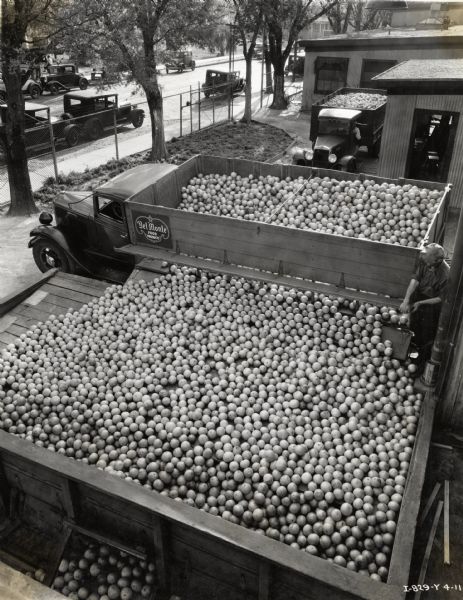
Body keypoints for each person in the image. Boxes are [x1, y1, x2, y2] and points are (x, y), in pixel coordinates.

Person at [400, 243, 449, 368]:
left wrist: (421, 303)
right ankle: (408, 353)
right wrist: (406, 300)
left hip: (432, 304)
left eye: (427, 256)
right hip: (419, 296)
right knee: (413, 325)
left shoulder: (445, 274)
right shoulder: (423, 260)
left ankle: (420, 362)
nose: (423, 257)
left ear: (437, 260)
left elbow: (440, 298)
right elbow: (415, 280)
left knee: (427, 334)